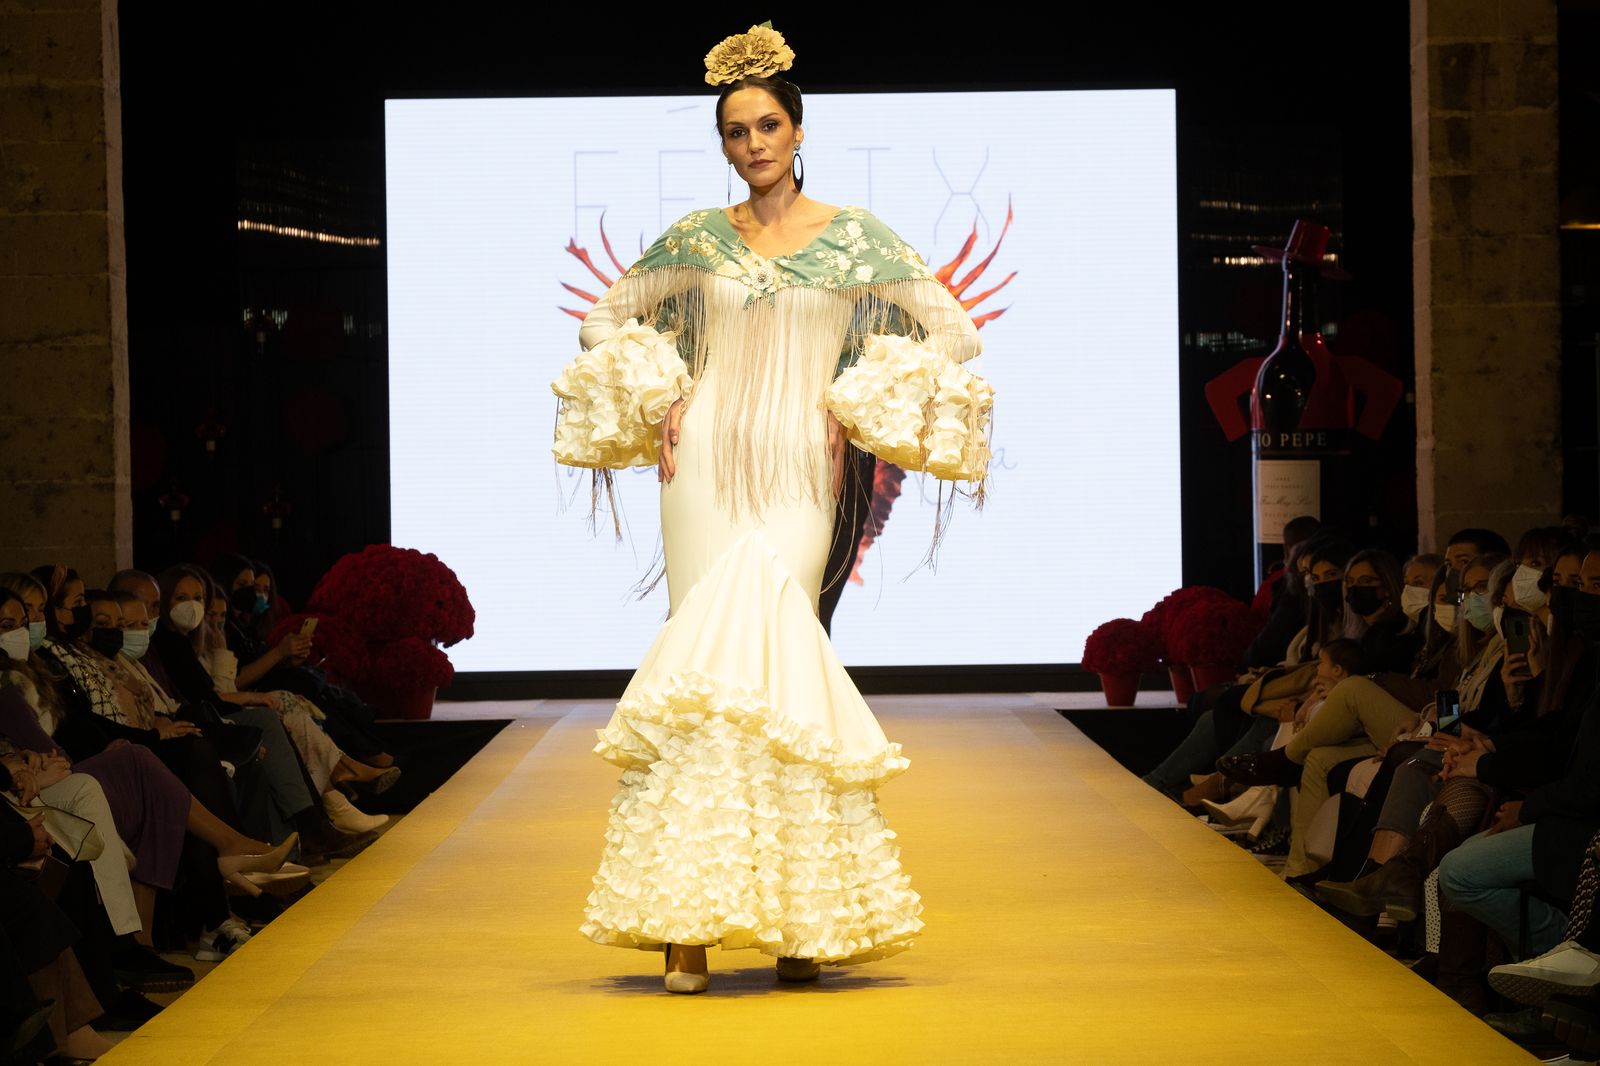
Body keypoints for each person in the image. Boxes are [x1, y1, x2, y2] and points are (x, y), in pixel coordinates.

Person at [560, 23, 988, 995]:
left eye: (766, 125)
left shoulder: (857, 238)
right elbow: (602, 318)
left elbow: (952, 333)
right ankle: (686, 928)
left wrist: (856, 396)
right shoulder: (695, 239)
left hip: (800, 464)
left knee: (782, 667)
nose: (751, 144)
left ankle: (798, 918)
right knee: (701, 671)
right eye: (734, 132)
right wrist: (662, 387)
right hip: (701, 464)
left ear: (798, 130)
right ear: (723, 145)